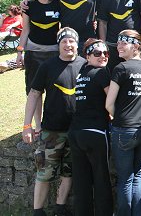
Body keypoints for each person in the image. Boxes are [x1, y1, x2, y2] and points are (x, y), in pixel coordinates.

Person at [22, 27, 85, 216]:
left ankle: (60, 207)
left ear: (77, 44)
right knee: (44, 172)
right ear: (58, 45)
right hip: (52, 130)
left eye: (71, 41)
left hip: (77, 131)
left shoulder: (85, 65)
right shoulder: (47, 66)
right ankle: (38, 211)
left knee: (69, 171)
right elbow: (34, 94)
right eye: (64, 41)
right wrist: (28, 126)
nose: (68, 45)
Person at [105, 29, 141, 215]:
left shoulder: (121, 69)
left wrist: (122, 116)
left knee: (126, 178)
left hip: (124, 130)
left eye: (123, 43)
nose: (118, 46)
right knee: (137, 174)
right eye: (117, 43)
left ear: (136, 46)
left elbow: (109, 104)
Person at [68, 39, 113, 216]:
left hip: (76, 133)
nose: (102, 56)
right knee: (101, 179)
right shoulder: (101, 73)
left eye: (106, 53)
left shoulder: (81, 73)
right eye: (97, 53)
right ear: (87, 56)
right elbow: (111, 102)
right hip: (95, 132)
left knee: (81, 180)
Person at [16, 0, 60, 134]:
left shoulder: (58, 4)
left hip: (55, 52)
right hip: (34, 52)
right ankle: (38, 125)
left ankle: (54, 122)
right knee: (35, 90)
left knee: (55, 90)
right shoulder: (29, 6)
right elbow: (25, 29)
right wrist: (20, 51)